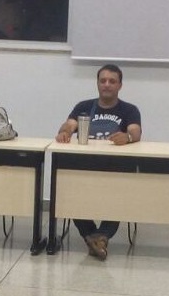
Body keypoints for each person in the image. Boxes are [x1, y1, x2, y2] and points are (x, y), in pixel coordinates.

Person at [54, 64, 142, 261]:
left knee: (120, 195)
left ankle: (99, 236)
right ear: (97, 84)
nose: (107, 85)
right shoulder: (84, 106)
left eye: (112, 81)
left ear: (120, 85)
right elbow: (69, 124)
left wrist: (127, 137)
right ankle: (96, 237)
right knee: (69, 191)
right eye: (103, 81)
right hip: (84, 165)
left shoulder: (129, 109)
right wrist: (65, 132)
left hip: (115, 167)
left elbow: (135, 131)